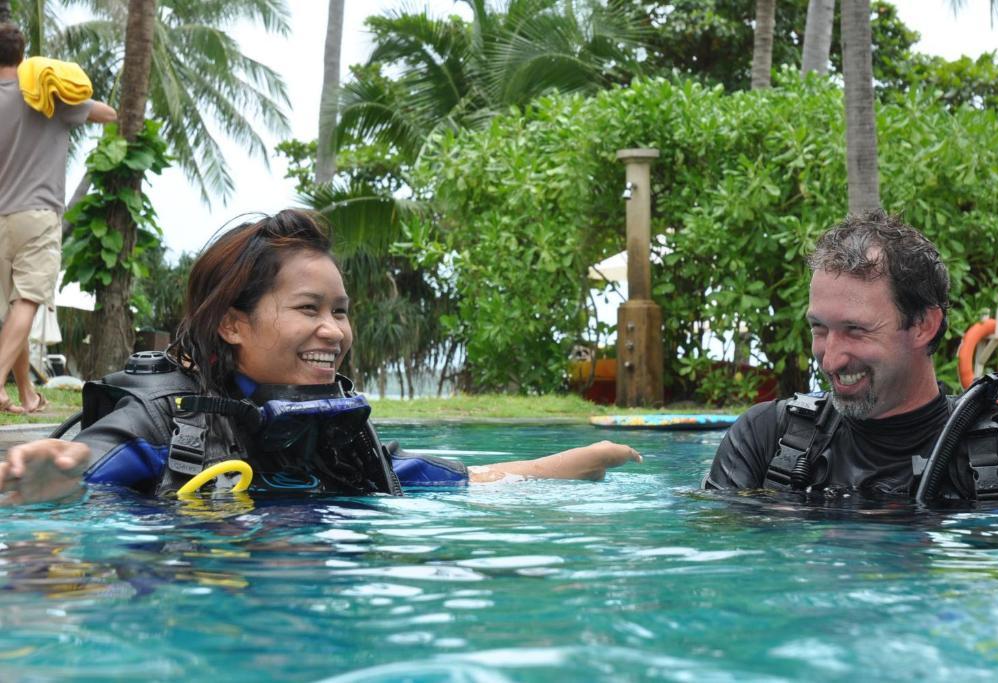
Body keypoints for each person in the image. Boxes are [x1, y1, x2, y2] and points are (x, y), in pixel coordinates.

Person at [0, 209, 641, 505]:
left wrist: (588, 459)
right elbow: (84, 461)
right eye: (309, 309)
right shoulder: (166, 417)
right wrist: (52, 478)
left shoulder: (329, 426)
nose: (334, 331)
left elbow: (468, 482)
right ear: (232, 323)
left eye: (340, 311)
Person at [704, 210, 998, 503]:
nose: (830, 361)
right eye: (819, 328)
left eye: (855, 330)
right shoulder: (765, 437)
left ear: (923, 325)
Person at [0, 22, 117, 414]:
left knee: (12, 309)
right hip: (37, 213)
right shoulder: (46, 96)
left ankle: (24, 394)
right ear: (22, 53)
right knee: (28, 301)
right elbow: (109, 113)